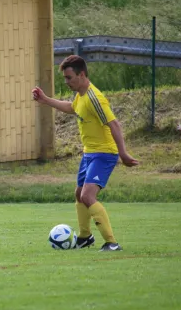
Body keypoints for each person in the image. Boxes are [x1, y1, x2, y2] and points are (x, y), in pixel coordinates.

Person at [32, 55, 139, 251]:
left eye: (69, 77)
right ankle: (84, 237)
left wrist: (123, 153)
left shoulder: (94, 97)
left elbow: (114, 124)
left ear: (81, 75)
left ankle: (112, 243)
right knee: (79, 193)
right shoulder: (80, 96)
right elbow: (71, 108)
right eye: (65, 77)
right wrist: (46, 100)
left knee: (88, 196)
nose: (67, 81)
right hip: (89, 154)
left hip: (104, 153)